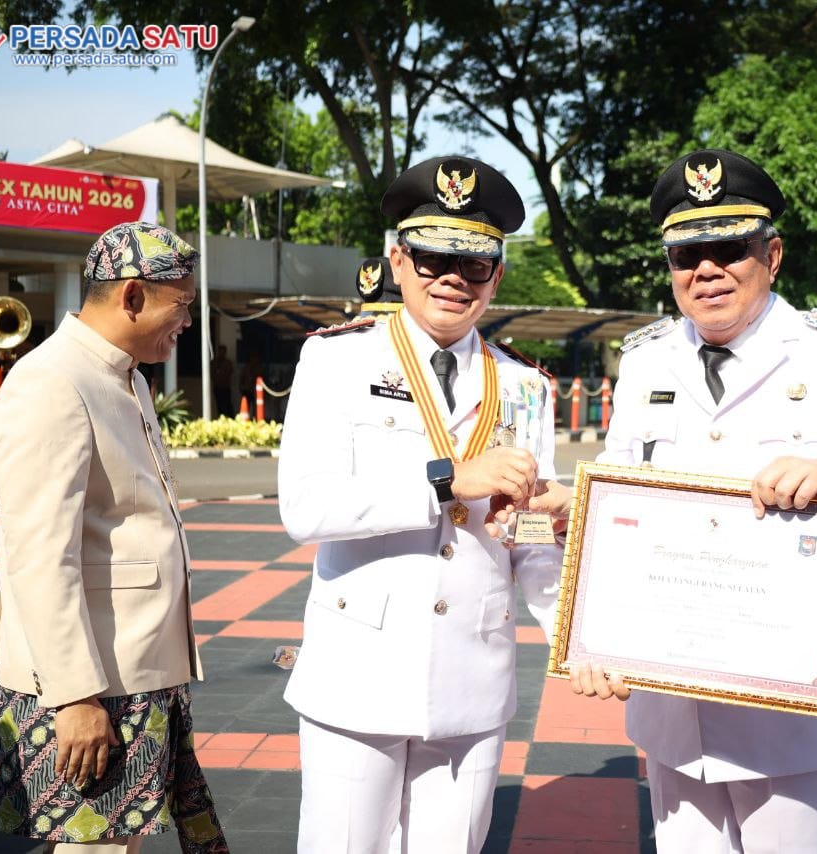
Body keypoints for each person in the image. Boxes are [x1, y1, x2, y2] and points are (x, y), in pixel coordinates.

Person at [572, 148, 817, 852]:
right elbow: (617, 504)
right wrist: (589, 632)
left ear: (772, 254)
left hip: (791, 715)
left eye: (730, 248)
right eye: (687, 253)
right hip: (672, 706)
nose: (707, 269)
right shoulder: (643, 361)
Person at [277, 155, 564, 853]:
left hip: (473, 670)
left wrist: (574, 634)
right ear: (399, 261)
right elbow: (306, 508)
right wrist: (445, 479)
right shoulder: (336, 361)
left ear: (496, 274)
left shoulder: (526, 384)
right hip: (359, 675)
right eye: (433, 258)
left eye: (473, 266)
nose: (451, 280)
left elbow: (522, 532)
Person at [0, 222, 227, 851]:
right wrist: (76, 699)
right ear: (133, 297)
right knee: (94, 846)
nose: (187, 322)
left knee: (120, 840)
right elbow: (39, 556)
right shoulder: (51, 382)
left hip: (131, 664)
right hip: (89, 680)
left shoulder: (125, 375)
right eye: (182, 305)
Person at [210, 345, 234, 417]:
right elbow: (212, 373)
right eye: (220, 351)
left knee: (227, 404)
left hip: (226, 387)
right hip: (217, 387)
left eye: (223, 351)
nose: (222, 353)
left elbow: (230, 373)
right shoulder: (214, 362)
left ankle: (228, 418)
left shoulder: (228, 362)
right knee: (219, 405)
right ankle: (220, 418)